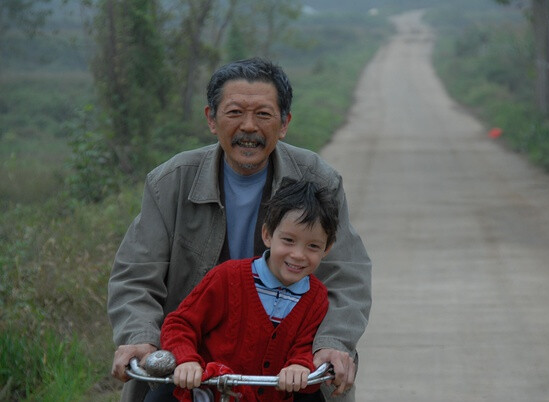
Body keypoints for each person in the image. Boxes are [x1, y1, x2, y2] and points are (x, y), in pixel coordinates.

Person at [108, 57, 371, 402]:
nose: (249, 127)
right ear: (211, 120)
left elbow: (347, 277)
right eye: (234, 113)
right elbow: (136, 274)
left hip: (288, 368)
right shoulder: (169, 182)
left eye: (263, 114)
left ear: (285, 123)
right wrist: (140, 335)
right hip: (191, 364)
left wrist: (333, 345)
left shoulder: (317, 180)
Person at [160, 180, 339, 402]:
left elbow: (305, 345)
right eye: (288, 240)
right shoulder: (227, 278)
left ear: (326, 249)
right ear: (267, 235)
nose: (298, 255)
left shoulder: (316, 298)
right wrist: (186, 359)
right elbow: (180, 324)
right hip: (212, 394)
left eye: (313, 246)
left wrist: (298, 365)